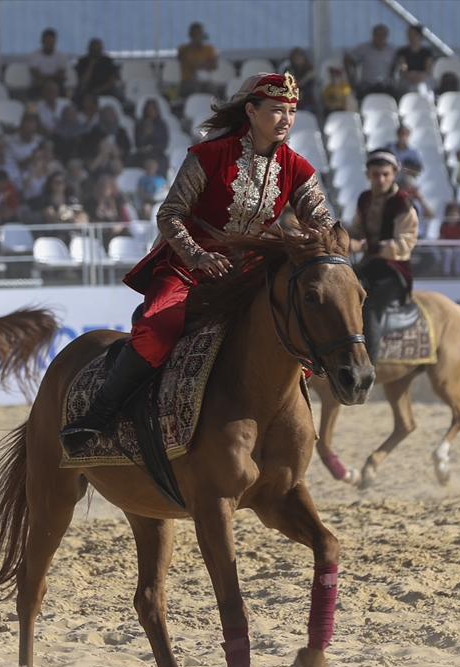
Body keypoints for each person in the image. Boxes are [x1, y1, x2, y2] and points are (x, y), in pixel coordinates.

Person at [60, 72, 333, 456]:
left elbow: (321, 217)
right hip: (186, 264)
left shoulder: (296, 166)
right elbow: (170, 213)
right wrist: (198, 256)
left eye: (291, 111)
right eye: (276, 110)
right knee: (158, 330)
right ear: (252, 112)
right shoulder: (209, 155)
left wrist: (325, 237)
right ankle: (100, 414)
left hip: (250, 272)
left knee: (292, 328)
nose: (286, 119)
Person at [346, 150, 418, 361]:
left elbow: (404, 245)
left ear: (394, 174)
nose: (381, 179)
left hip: (394, 271)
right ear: (368, 174)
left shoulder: (403, 203)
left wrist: (364, 247)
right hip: (368, 266)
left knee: (370, 307)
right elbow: (357, 229)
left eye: (386, 174)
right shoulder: (364, 198)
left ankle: (369, 366)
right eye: (376, 174)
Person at [345, 24, 398, 100]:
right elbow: (347, 59)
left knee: (396, 93)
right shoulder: (363, 48)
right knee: (360, 93)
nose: (380, 37)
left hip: (385, 84)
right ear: (373, 35)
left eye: (383, 35)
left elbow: (398, 64)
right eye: (378, 34)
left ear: (386, 36)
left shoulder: (392, 50)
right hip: (368, 84)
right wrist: (350, 78)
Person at [177, 22, 218, 97]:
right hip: (188, 82)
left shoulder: (209, 49)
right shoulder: (183, 48)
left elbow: (214, 65)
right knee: (195, 88)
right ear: (190, 35)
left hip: (205, 81)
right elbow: (180, 57)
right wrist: (192, 45)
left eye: (200, 34)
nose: (198, 36)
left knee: (212, 88)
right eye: (195, 34)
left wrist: (202, 64)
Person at [396, 24, 436, 98]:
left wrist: (422, 76)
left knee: (423, 87)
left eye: (414, 34)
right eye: (410, 34)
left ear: (420, 36)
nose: (412, 37)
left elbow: (428, 69)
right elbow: (403, 66)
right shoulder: (402, 52)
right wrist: (409, 76)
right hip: (408, 78)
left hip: (423, 77)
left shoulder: (427, 52)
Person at [27, 28, 70, 96]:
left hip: (56, 85)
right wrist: (53, 77)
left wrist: (46, 78)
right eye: (48, 42)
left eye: (52, 42)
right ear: (42, 42)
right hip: (40, 86)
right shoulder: (34, 56)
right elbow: (37, 77)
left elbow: (60, 75)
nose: (50, 44)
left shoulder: (61, 56)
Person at [133, 98, 169, 169]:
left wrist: (150, 148)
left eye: (153, 109)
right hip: (142, 155)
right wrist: (144, 134)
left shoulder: (161, 125)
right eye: (149, 109)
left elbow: (164, 143)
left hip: (158, 153)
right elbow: (138, 144)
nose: (151, 111)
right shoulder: (139, 124)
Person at [285, 48, 319, 113]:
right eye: (295, 57)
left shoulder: (310, 71)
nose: (298, 59)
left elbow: (311, 86)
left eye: (299, 57)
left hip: (306, 99)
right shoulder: (288, 71)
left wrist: (302, 93)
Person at [438, 201, 460, 276]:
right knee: (448, 252)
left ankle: (458, 272)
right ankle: (446, 273)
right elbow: (442, 238)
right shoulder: (444, 226)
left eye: (455, 213)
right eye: (451, 213)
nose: (453, 215)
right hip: (446, 247)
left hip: (457, 246)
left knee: (458, 251)